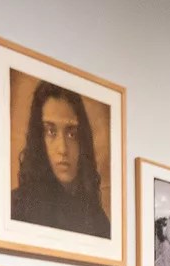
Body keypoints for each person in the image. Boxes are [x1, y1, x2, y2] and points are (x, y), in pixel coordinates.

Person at [11, 81, 109, 238]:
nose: (63, 149)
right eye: (51, 132)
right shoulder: (18, 207)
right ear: (39, 139)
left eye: (71, 134)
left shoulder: (96, 217)